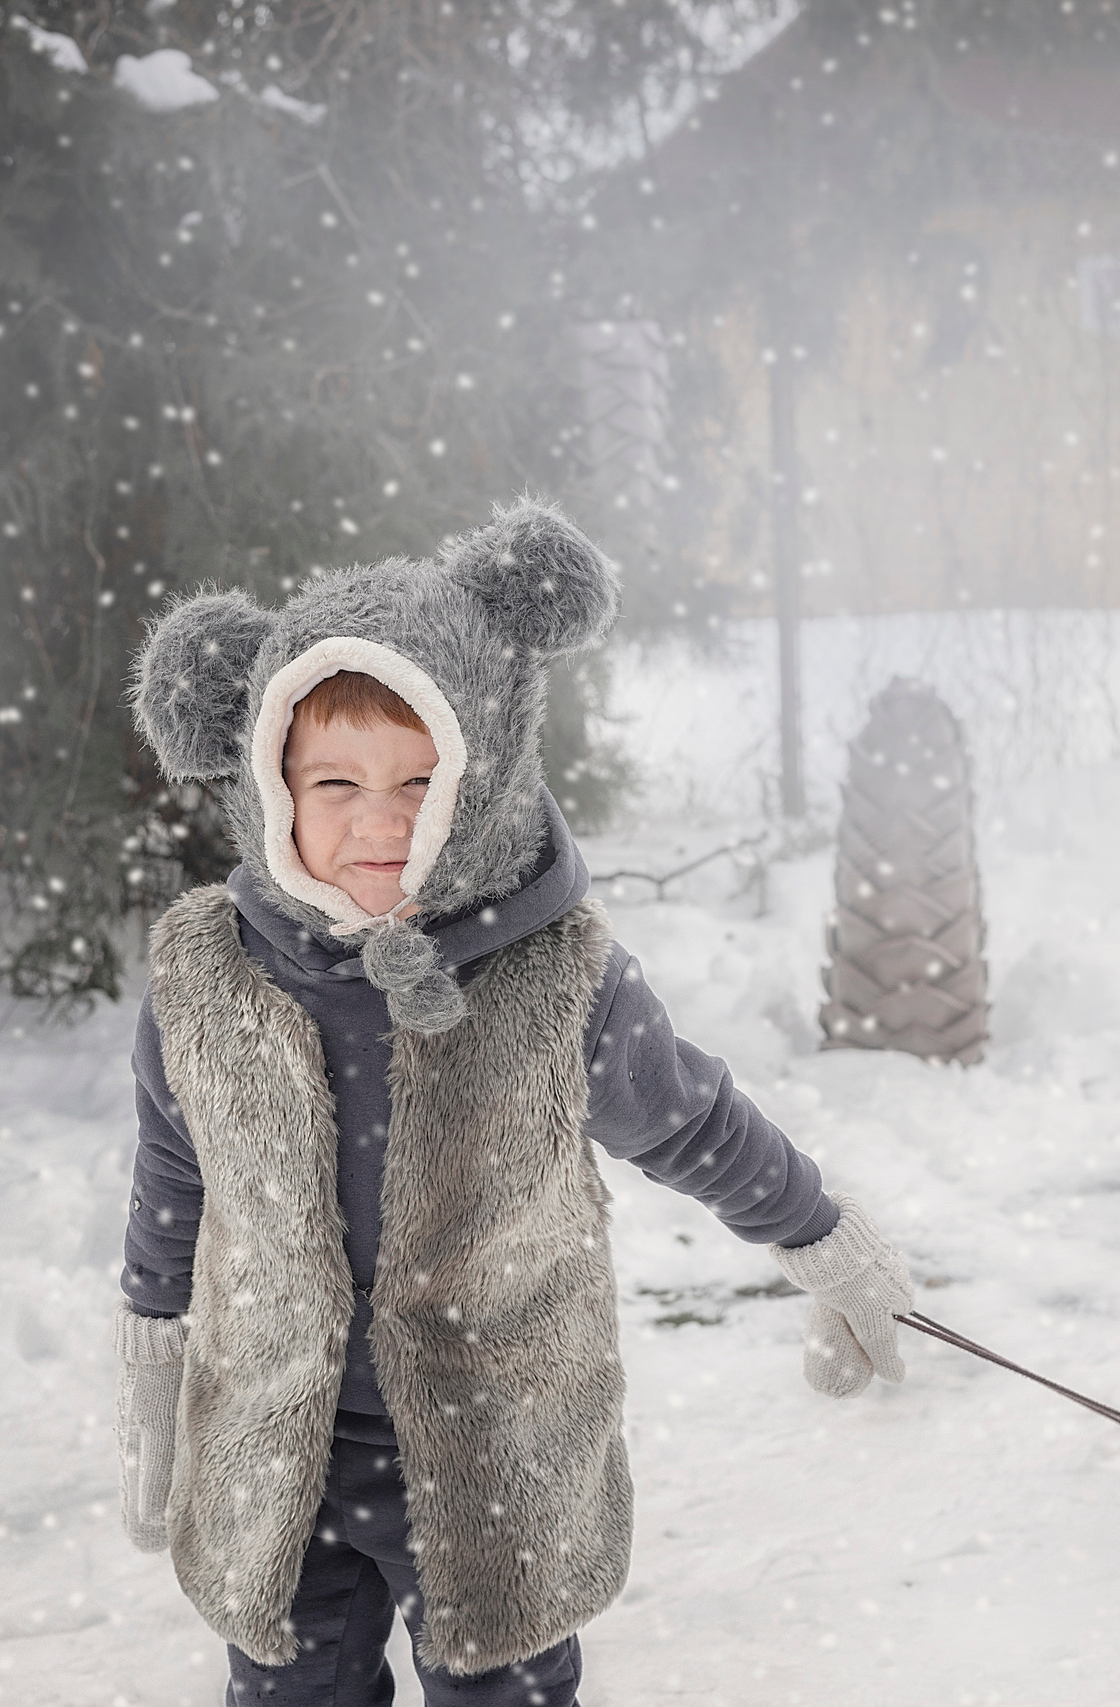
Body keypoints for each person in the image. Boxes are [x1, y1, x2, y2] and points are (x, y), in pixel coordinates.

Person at [113, 497, 914, 1707]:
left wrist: (816, 1235)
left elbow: (687, 1119)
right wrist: (153, 1352)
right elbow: (174, 1173)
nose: (379, 821)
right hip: (281, 1454)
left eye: (421, 779)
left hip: (497, 1453)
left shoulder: (547, 978)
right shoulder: (207, 978)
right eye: (334, 779)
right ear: (266, 778)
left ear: (483, 768)